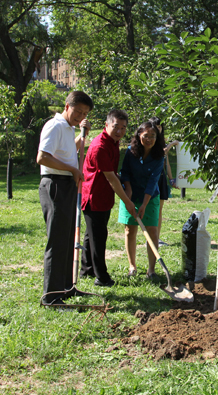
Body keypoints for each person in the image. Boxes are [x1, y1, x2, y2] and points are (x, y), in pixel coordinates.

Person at [37, 91, 93, 306]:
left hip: (67, 183)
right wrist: (72, 169)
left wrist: (81, 135)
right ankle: (51, 297)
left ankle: (66, 288)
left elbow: (66, 152)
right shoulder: (55, 125)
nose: (80, 116)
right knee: (58, 241)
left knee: (68, 239)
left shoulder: (68, 128)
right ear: (67, 106)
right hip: (55, 184)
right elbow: (43, 157)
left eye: (85, 113)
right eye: (78, 111)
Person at [79, 109, 138, 287]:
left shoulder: (113, 142)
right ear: (106, 125)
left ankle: (87, 269)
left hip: (104, 197)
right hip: (94, 196)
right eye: (116, 127)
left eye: (123, 127)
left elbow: (114, 174)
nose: (120, 131)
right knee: (98, 236)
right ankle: (102, 277)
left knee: (92, 234)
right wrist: (127, 202)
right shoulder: (100, 147)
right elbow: (111, 178)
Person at [118, 121, 165, 278]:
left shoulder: (159, 156)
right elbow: (124, 172)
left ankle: (151, 270)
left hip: (150, 197)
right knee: (130, 230)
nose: (149, 139)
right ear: (139, 136)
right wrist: (128, 191)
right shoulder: (131, 152)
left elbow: (153, 181)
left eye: (153, 136)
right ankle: (132, 266)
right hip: (130, 196)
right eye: (146, 136)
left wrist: (144, 204)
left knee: (152, 230)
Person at [149, 117, 179, 247]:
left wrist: (171, 179)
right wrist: (172, 144)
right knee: (152, 209)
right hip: (151, 178)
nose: (158, 128)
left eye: (160, 126)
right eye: (155, 126)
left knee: (159, 210)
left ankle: (157, 238)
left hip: (161, 178)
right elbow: (163, 153)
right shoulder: (150, 140)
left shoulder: (162, 141)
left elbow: (166, 162)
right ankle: (150, 237)